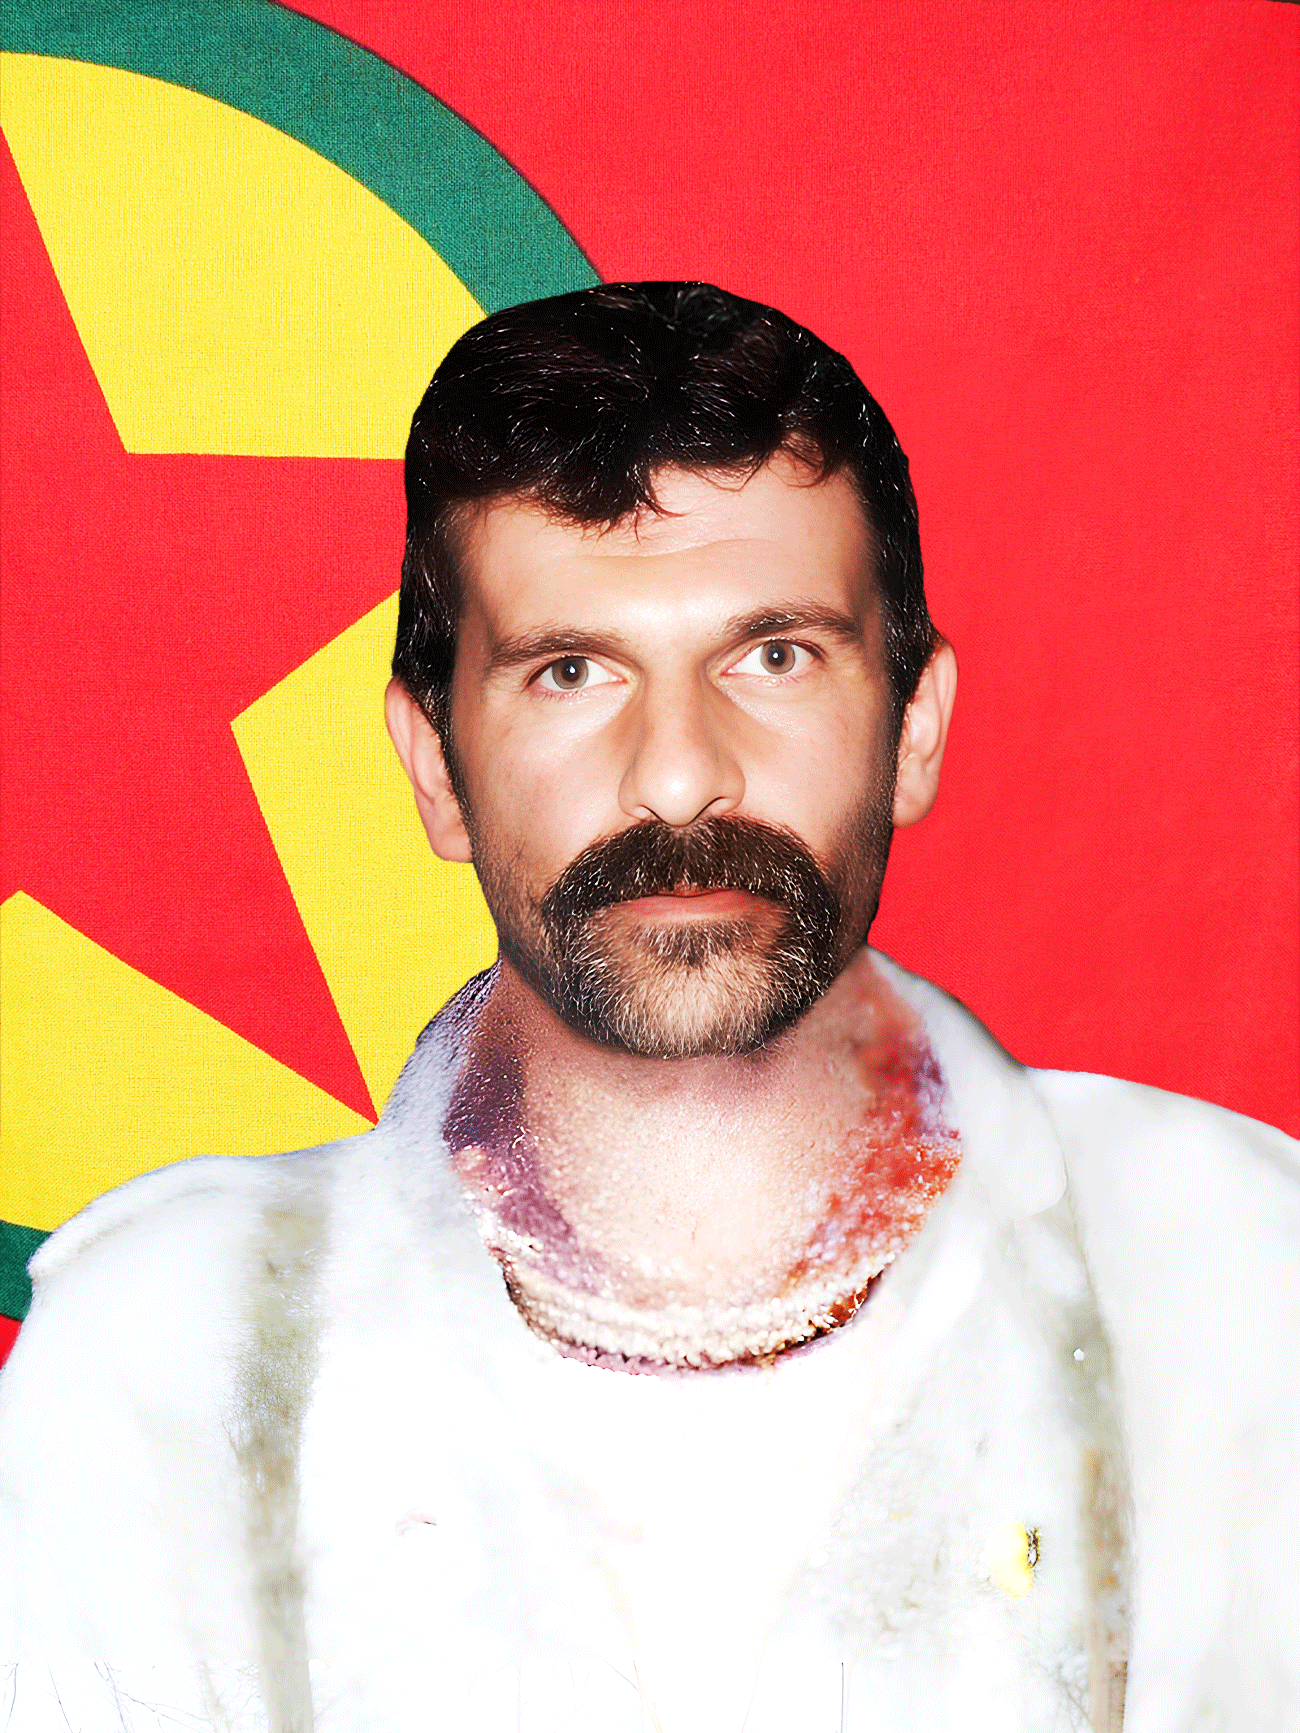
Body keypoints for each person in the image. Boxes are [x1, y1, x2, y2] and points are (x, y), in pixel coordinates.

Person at [1, 283, 1295, 1733]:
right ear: (435, 767)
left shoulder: (1240, 1274)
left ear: (914, 727)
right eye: (571, 673)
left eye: (773, 656)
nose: (679, 778)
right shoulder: (162, 1357)